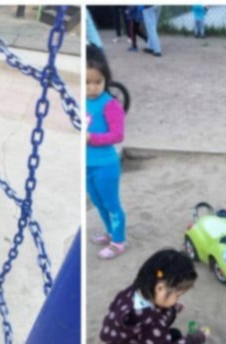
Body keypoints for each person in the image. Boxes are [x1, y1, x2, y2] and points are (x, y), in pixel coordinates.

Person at [99, 249, 207, 344]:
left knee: (167, 333)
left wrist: (172, 307)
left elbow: (158, 306)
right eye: (177, 296)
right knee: (175, 336)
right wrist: (196, 339)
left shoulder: (134, 290)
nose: (177, 300)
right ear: (160, 288)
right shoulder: (150, 321)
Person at [86, 45, 128, 260]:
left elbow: (117, 135)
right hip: (87, 166)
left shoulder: (110, 105)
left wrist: (92, 138)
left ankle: (119, 240)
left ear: (106, 80)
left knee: (111, 203)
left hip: (105, 165)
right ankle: (110, 232)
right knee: (98, 201)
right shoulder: (82, 102)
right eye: (86, 82)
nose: (92, 88)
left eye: (97, 82)